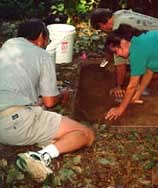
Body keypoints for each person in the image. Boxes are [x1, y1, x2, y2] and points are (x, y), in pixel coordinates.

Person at [0, 19, 94, 182]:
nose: (46, 44)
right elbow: (50, 101)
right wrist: (62, 93)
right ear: (41, 37)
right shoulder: (42, 55)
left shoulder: (7, 46)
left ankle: (48, 140)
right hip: (12, 125)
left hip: (7, 116)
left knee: (39, 110)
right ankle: (40, 156)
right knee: (86, 134)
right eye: (47, 40)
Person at [90, 8, 158, 98]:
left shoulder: (118, 29)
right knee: (132, 54)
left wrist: (118, 86)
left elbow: (120, 65)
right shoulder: (118, 14)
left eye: (100, 28)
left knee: (136, 65)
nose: (103, 30)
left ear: (101, 24)